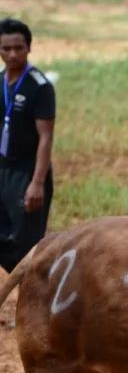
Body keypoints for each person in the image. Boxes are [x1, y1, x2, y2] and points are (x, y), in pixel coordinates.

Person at [0, 18, 54, 273]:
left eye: (18, 48)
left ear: (29, 48)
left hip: (27, 172)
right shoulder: (1, 82)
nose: (12, 54)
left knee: (26, 246)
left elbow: (45, 137)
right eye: (5, 48)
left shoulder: (39, 86)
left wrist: (37, 182)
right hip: (2, 169)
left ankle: (33, 305)